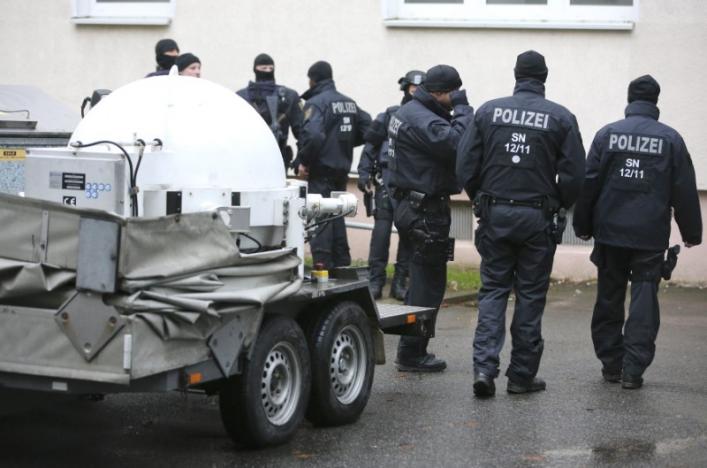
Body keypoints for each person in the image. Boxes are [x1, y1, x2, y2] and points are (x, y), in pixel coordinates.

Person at [457, 50, 585, 395]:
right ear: (544, 77)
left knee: (493, 291)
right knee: (530, 295)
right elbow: (575, 174)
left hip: (496, 214)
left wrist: (481, 197)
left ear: (516, 75)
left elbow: (465, 165)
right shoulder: (561, 117)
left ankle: (483, 370)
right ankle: (521, 376)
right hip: (537, 218)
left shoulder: (487, 111)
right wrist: (558, 201)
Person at [573, 75, 702, 390]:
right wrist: (691, 232)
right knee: (645, 297)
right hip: (649, 235)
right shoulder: (671, 139)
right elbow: (684, 189)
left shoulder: (607, 135)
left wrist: (582, 224)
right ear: (656, 101)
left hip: (610, 232)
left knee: (609, 296)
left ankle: (611, 364)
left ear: (629, 99)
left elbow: (589, 182)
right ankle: (633, 370)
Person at [388, 64, 473, 372]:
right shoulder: (424, 120)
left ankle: (409, 348)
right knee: (429, 283)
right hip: (425, 211)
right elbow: (458, 145)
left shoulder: (410, 111)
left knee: (419, 279)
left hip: (411, 205)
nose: (458, 98)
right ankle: (412, 353)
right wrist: (463, 110)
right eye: (454, 94)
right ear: (440, 93)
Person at [295, 61, 371, 270]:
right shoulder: (349, 103)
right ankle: (341, 263)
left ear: (312, 79)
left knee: (320, 216)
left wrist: (304, 160)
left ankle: (322, 265)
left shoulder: (316, 103)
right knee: (337, 216)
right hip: (341, 170)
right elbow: (369, 128)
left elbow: (314, 135)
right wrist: (342, 143)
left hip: (321, 170)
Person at [357, 71, 425, 300]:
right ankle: (375, 282)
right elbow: (370, 146)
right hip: (387, 183)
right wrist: (364, 173)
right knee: (381, 235)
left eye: (419, 89)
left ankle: (399, 283)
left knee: (408, 236)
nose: (415, 93)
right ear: (405, 89)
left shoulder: (426, 118)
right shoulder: (388, 115)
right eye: (412, 89)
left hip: (412, 186)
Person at [237, 54, 304, 170]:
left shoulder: (288, 96)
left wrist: (301, 158)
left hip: (278, 158)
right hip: (248, 159)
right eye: (263, 68)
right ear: (255, 69)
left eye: (270, 69)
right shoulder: (240, 97)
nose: (268, 71)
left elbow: (303, 132)